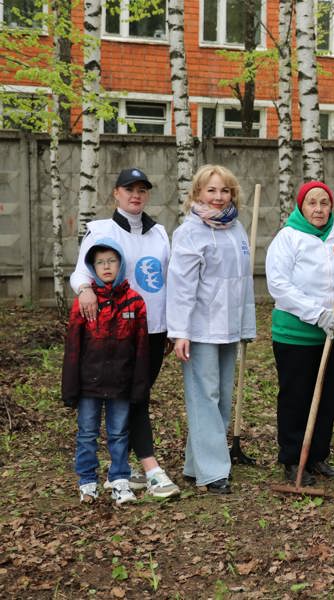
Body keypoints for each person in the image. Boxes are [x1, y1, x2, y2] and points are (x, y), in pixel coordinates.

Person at [69, 167, 180, 499]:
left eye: (142, 190)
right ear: (116, 193)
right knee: (136, 396)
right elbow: (80, 272)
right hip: (118, 332)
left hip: (155, 329)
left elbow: (169, 279)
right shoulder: (101, 230)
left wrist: (174, 326)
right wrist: (85, 290)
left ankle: (122, 466)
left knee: (136, 395)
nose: (136, 195)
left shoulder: (159, 232)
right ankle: (150, 467)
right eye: (129, 189)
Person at [266, 181, 334, 486]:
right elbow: (279, 286)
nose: (319, 209)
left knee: (329, 397)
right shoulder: (288, 238)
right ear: (301, 205)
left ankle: (318, 455)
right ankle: (293, 459)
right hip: (296, 334)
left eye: (324, 203)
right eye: (312, 203)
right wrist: (316, 314)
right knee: (297, 397)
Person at [166, 165, 256, 494]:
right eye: (211, 191)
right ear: (197, 194)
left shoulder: (236, 229)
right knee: (205, 397)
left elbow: (243, 283)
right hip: (200, 328)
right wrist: (180, 331)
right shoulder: (189, 232)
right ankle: (214, 472)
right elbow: (181, 286)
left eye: (224, 191)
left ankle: (196, 463)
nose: (218, 198)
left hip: (228, 328)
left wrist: (246, 325)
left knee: (221, 398)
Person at [62, 239, 149, 505]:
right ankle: (87, 482)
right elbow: (73, 347)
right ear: (92, 267)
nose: (106, 266)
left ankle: (120, 480)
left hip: (121, 382)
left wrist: (138, 386)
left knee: (119, 432)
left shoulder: (135, 302)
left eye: (111, 261)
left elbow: (142, 348)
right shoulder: (83, 303)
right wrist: (70, 387)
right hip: (89, 382)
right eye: (100, 262)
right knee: (87, 432)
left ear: (121, 264)